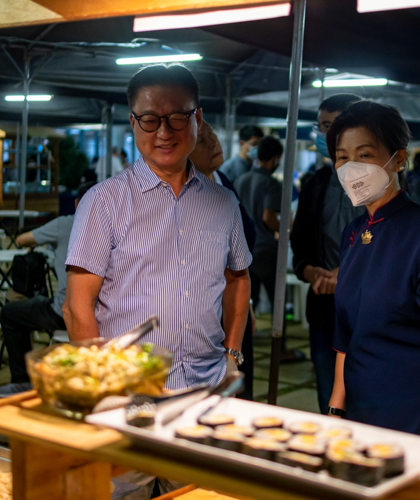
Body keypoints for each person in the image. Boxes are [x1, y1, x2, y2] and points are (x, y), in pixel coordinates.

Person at [64, 64, 252, 392]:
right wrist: (102, 380)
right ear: (133, 122)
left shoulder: (224, 202)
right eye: (150, 119)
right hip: (130, 385)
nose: (164, 133)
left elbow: (238, 277)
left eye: (177, 117)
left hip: (210, 383)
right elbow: (77, 306)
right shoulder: (103, 201)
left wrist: (233, 355)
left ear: (197, 118)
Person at [327, 100, 420, 445]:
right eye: (342, 157)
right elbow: (346, 336)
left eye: (364, 155)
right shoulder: (354, 232)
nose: (351, 168)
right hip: (361, 411)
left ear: (400, 159)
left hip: (417, 413)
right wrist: (335, 410)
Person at [290, 93, 363, 414]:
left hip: (368, 310)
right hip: (323, 310)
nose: (325, 136)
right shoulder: (315, 183)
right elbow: (300, 242)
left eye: (333, 126)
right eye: (321, 127)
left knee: (367, 399)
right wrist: (309, 271)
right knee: (329, 400)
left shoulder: (382, 184)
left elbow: (390, 248)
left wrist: (344, 275)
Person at [0, 182, 97, 397]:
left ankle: (23, 382)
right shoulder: (117, 226)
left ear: (77, 203)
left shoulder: (65, 224)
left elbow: (22, 240)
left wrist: (47, 243)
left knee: (9, 313)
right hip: (103, 316)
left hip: (64, 312)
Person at [188, 120, 257, 400]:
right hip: (206, 312)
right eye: (203, 141)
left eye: (213, 136)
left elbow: (239, 260)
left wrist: (246, 304)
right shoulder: (188, 196)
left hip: (234, 305)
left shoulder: (223, 183)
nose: (214, 143)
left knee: (239, 385)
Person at [235, 136, 303, 362]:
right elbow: (268, 217)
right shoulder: (271, 183)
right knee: (277, 302)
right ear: (276, 158)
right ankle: (280, 349)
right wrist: (288, 229)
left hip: (242, 250)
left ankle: (240, 349)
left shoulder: (241, 179)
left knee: (245, 303)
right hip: (265, 249)